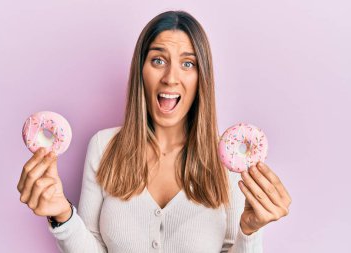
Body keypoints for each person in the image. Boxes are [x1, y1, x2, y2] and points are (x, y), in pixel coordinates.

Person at [17, 10, 291, 253]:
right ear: (141, 70)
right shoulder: (104, 146)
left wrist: (250, 231)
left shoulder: (227, 162)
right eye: (158, 60)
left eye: (188, 63)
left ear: (201, 78)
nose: (171, 77)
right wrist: (62, 216)